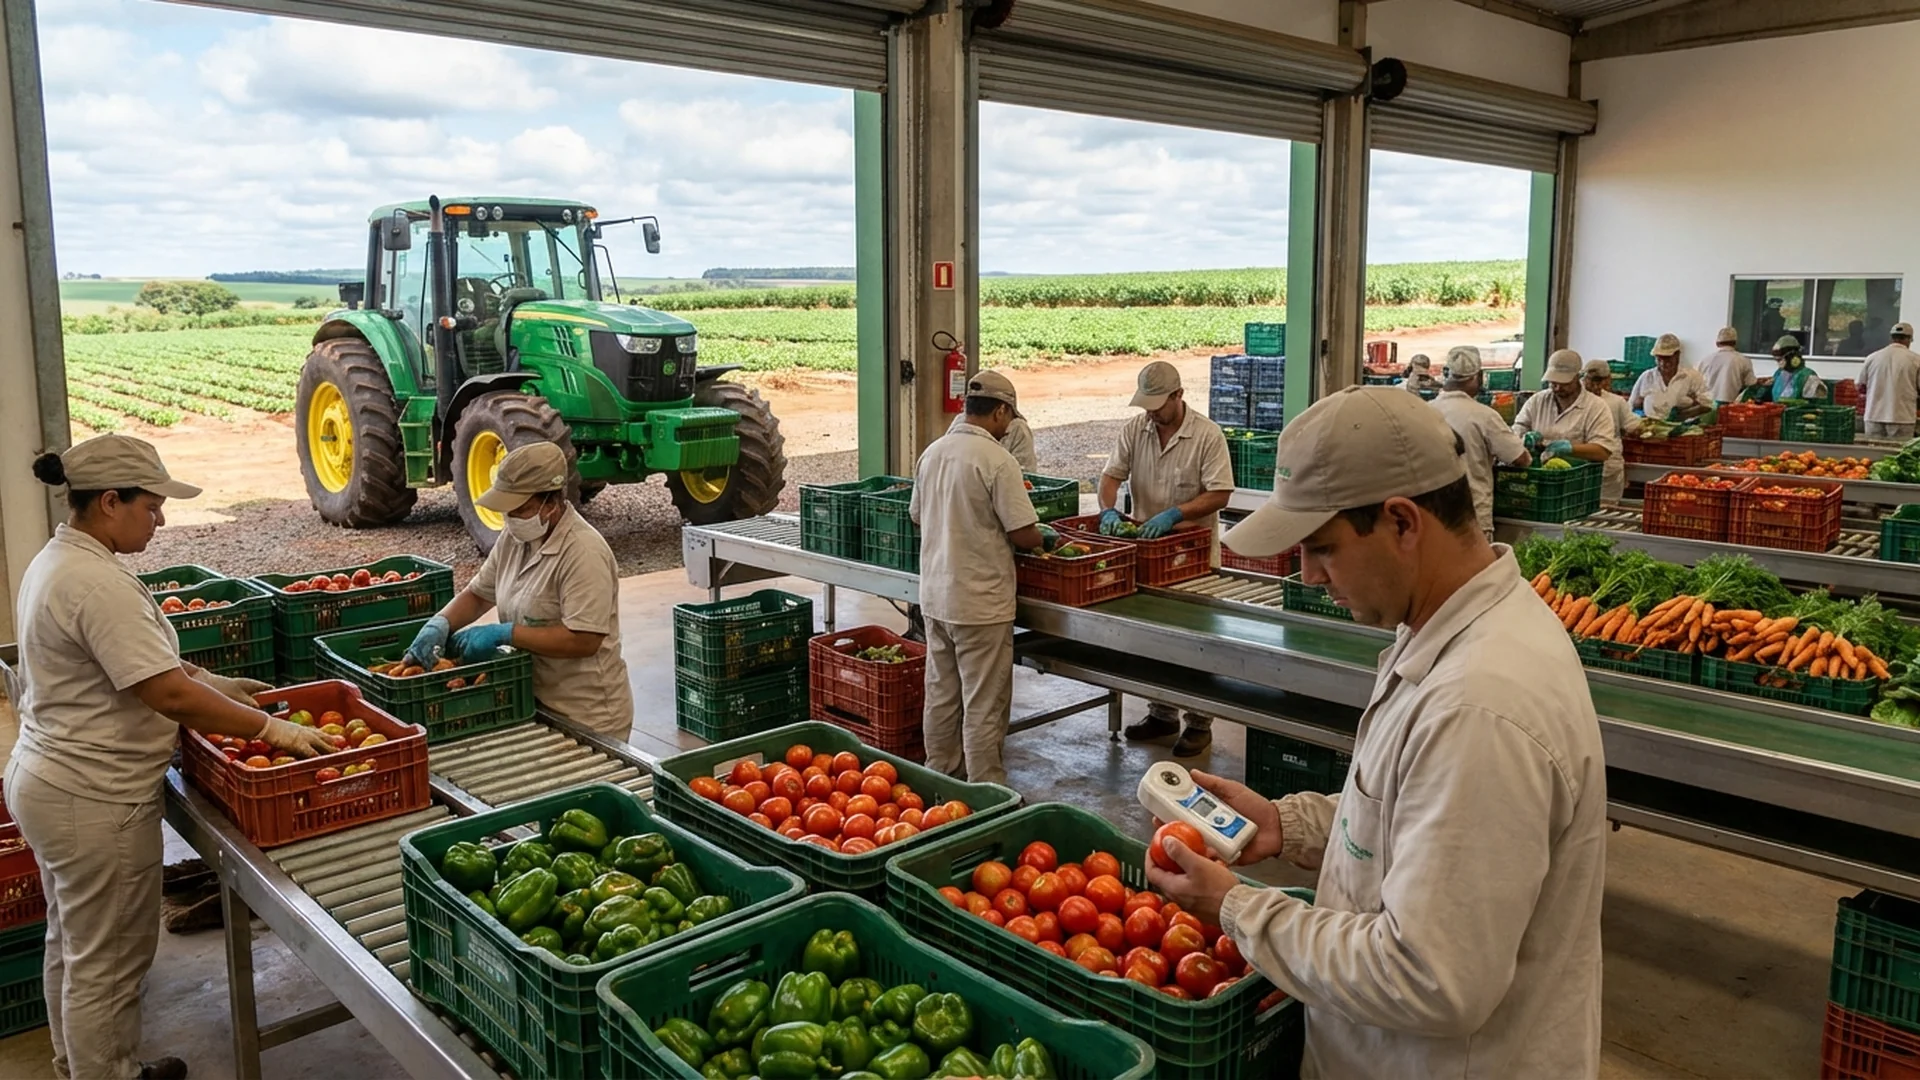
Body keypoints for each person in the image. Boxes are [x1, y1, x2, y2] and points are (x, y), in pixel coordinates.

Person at [1146, 386, 1606, 1079]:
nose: (1309, 575)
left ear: (1401, 522)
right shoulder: (1448, 635)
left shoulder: (1480, 707)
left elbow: (1428, 978)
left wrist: (1238, 909)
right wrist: (1287, 824)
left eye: (1322, 549)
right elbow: (1419, 820)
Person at [9, 434, 335, 1080]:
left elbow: (156, 666)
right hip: (93, 797)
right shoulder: (92, 583)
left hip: (50, 778)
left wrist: (220, 687)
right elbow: (162, 691)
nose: (161, 520)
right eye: (152, 508)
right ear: (109, 502)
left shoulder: (62, 561)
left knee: (72, 945)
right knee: (108, 962)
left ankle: (79, 1065)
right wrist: (269, 733)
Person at [403, 442, 632, 738]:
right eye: (506, 511)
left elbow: (584, 639)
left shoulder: (584, 553)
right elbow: (478, 595)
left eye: (520, 509)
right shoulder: (515, 538)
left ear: (552, 502)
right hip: (531, 699)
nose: (510, 518)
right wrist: (440, 624)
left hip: (586, 715)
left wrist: (505, 633)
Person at [909, 370, 1046, 786]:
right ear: (1001, 411)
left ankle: (941, 779)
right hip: (981, 604)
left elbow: (916, 516)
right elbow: (1024, 534)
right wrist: (1044, 537)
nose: (1009, 426)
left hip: (936, 596)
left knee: (943, 695)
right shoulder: (998, 461)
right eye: (1009, 417)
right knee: (984, 704)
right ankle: (987, 789)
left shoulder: (932, 453)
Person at [1099, 360, 1235, 757]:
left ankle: (1198, 723)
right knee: (1154, 640)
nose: (1153, 412)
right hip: (1148, 550)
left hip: (1191, 555)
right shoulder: (1134, 430)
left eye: (1159, 404)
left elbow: (1221, 493)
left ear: (1179, 395)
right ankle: (1162, 714)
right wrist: (1108, 509)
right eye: (1148, 405)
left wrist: (1177, 513)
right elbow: (1110, 477)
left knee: (1197, 645)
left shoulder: (1206, 435)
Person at [1427, 346, 1528, 538]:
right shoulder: (1484, 416)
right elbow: (1520, 458)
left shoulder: (1425, 410)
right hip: (1472, 516)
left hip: (1434, 515)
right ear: (1477, 376)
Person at [1512, 349, 1621, 479]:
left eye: (1564, 383)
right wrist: (1524, 438)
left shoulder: (1596, 407)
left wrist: (1569, 448)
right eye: (1553, 383)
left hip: (1578, 480)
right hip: (1540, 475)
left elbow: (1603, 451)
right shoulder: (1537, 401)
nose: (1558, 388)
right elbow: (1517, 430)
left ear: (1577, 377)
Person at [1582, 357, 1639, 501]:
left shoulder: (1617, 402)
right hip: (1580, 463)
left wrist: (1643, 427)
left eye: (1600, 381)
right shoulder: (1576, 400)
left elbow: (1632, 426)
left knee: (1608, 506)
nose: (1596, 386)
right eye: (1592, 381)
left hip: (1609, 465)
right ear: (1584, 379)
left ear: (1608, 380)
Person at [1627, 333, 1713, 421]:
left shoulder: (1691, 377)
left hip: (1682, 429)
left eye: (1667, 359)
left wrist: (1686, 413)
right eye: (1659, 359)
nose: (1663, 364)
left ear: (1677, 356)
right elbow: (1630, 406)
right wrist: (1639, 405)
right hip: (1652, 428)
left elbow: (1707, 404)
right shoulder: (1647, 377)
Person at [1860, 321, 1920, 441]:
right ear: (1909, 339)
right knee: (1897, 455)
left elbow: (1861, 387)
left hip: (1874, 416)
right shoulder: (1916, 360)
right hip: (1902, 418)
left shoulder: (1872, 358)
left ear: (1891, 338)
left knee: (1873, 455)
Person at [947, 396, 1037, 471]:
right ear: (1000, 411)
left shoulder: (936, 449)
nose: (1008, 426)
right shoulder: (1017, 428)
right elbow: (1025, 482)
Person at [1698, 326, 1757, 405]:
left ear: (1717, 343)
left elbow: (1697, 384)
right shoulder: (1744, 360)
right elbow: (1750, 384)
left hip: (1707, 405)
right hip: (1731, 406)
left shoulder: (1705, 360)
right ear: (1735, 343)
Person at [1764, 335, 1826, 402]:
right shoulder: (1779, 373)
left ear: (1793, 358)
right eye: (1776, 360)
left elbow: (1816, 405)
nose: (1778, 363)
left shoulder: (1808, 376)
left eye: (1780, 360)